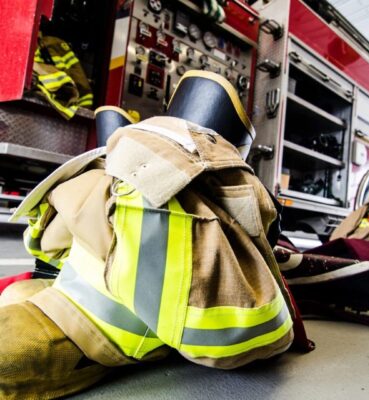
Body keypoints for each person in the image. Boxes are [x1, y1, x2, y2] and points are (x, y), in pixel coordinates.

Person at [0, 70, 294, 399]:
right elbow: (259, 336)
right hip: (91, 306)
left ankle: (179, 166)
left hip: (90, 313)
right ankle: (183, 166)